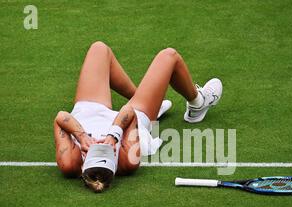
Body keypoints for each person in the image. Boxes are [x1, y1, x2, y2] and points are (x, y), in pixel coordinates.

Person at [54, 41, 223, 192]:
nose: (98, 144)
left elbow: (61, 117)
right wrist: (113, 136)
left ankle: (150, 100)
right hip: (131, 120)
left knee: (99, 49)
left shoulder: (69, 163)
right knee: (169, 56)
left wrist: (82, 136)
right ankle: (198, 104)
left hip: (89, 112)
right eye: (106, 152)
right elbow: (128, 112)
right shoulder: (128, 162)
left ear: (84, 165)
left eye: (94, 151)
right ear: (115, 164)